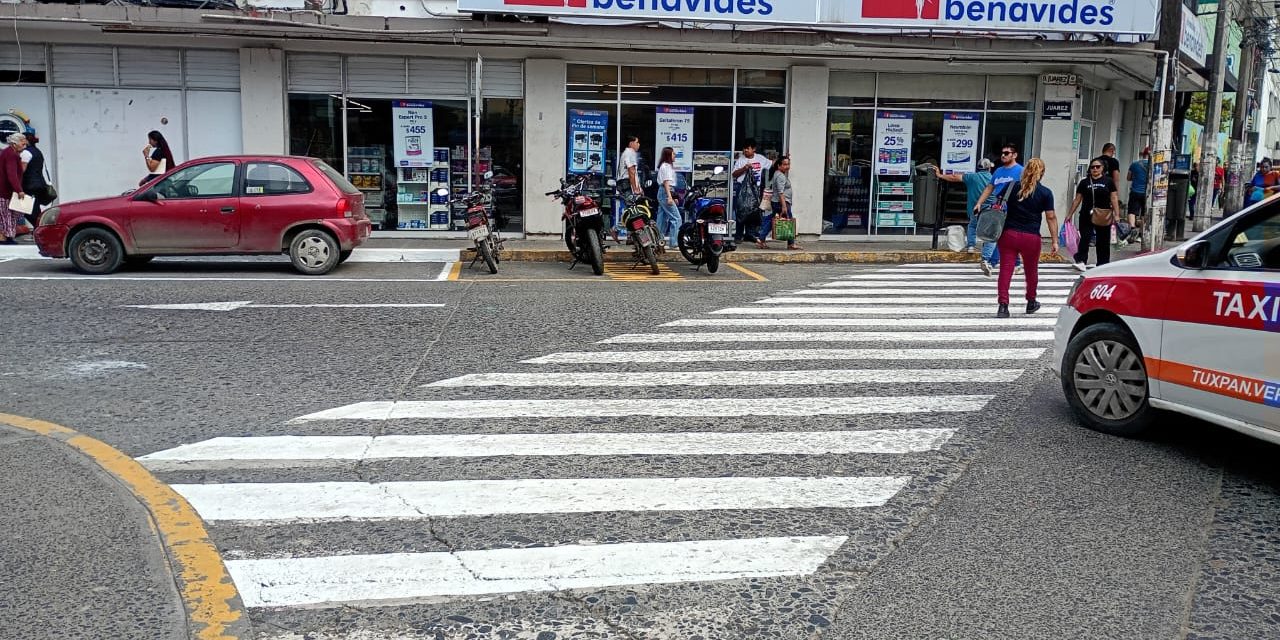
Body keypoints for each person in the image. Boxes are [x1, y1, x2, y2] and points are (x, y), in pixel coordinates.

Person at [994, 158, 1059, 318]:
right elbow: (1051, 217)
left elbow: (997, 203)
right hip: (1031, 237)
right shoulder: (1045, 193)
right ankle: (1031, 302)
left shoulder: (1011, 187)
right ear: (1042, 173)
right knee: (1031, 271)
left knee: (1006, 270)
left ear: (1025, 171)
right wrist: (1055, 240)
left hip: (1009, 234)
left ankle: (1003, 305)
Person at [973, 143, 1024, 276]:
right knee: (999, 234)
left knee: (1002, 235)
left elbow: (1027, 189)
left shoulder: (1021, 171)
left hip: (1014, 207)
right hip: (998, 205)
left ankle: (992, 262)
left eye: (1006, 153)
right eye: (1002, 153)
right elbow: (989, 188)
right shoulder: (999, 171)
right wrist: (979, 203)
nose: (1003, 155)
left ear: (1014, 155)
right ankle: (1016, 263)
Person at [1065, 158, 1120, 272]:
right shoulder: (1084, 182)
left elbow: (1114, 197)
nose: (1095, 169)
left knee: (1103, 240)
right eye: (1092, 167)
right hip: (1086, 214)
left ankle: (1103, 263)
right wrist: (1070, 214)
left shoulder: (1108, 181)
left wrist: (1117, 214)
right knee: (1084, 238)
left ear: (1103, 168)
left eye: (1097, 167)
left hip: (1103, 214)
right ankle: (1081, 261)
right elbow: (1077, 199)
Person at [936, 158, 994, 252]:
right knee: (989, 228)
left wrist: (940, 175)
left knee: (972, 226)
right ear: (988, 168)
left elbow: (954, 177)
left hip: (975, 208)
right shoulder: (993, 178)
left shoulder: (971, 177)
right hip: (990, 208)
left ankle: (971, 246)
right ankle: (987, 250)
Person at [732, 139, 771, 246]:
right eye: (744, 149)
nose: (745, 151)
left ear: (754, 149)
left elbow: (771, 164)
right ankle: (738, 235)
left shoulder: (760, 159)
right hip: (742, 190)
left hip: (755, 190)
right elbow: (734, 174)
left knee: (753, 212)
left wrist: (784, 159)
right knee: (741, 211)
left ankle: (750, 234)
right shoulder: (741, 160)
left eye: (748, 148)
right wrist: (744, 168)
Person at [758, 155, 801, 250]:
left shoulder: (778, 173)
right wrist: (784, 207)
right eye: (785, 164)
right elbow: (781, 192)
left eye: (788, 164)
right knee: (788, 221)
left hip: (777, 202)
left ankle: (761, 239)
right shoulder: (780, 176)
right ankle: (791, 243)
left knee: (771, 220)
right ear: (779, 166)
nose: (787, 166)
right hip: (781, 202)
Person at [20, 130, 52, 227]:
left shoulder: (26, 153)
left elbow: (22, 170)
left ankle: (39, 227)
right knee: (35, 209)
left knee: (25, 209)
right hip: (39, 184)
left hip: (29, 185)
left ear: (26, 141)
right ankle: (38, 229)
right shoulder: (38, 151)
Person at [1, 133, 28, 244]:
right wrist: (19, 190)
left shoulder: (8, 152)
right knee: (7, 214)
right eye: (22, 141)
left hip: (6, 191)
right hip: (5, 192)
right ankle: (7, 238)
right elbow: (11, 174)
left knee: (9, 214)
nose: (25, 143)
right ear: (14, 143)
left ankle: (7, 236)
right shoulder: (11, 155)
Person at [655, 146, 681, 249]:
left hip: (665, 192)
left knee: (662, 219)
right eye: (673, 154)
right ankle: (674, 243)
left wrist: (672, 196)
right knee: (676, 218)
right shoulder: (665, 166)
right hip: (665, 192)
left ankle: (658, 241)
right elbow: (666, 182)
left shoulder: (667, 166)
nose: (675, 156)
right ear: (668, 155)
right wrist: (670, 197)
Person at [1125, 147, 1149, 243]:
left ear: (1143, 154)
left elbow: (1128, 177)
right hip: (1146, 193)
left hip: (1135, 191)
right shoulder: (1153, 166)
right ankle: (1140, 234)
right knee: (1144, 214)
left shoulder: (1134, 164)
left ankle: (1132, 228)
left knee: (1132, 211)